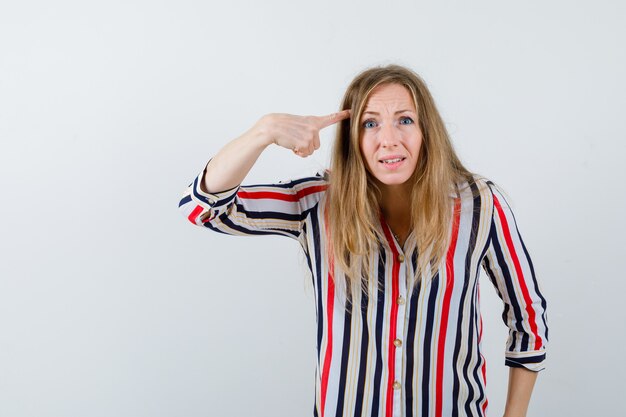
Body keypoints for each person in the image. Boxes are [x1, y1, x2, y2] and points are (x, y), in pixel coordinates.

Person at [178, 65, 548, 417]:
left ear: (426, 131)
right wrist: (263, 131)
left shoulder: (479, 204)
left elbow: (528, 317)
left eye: (405, 120)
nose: (389, 139)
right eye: (370, 123)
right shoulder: (316, 202)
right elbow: (203, 209)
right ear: (352, 137)